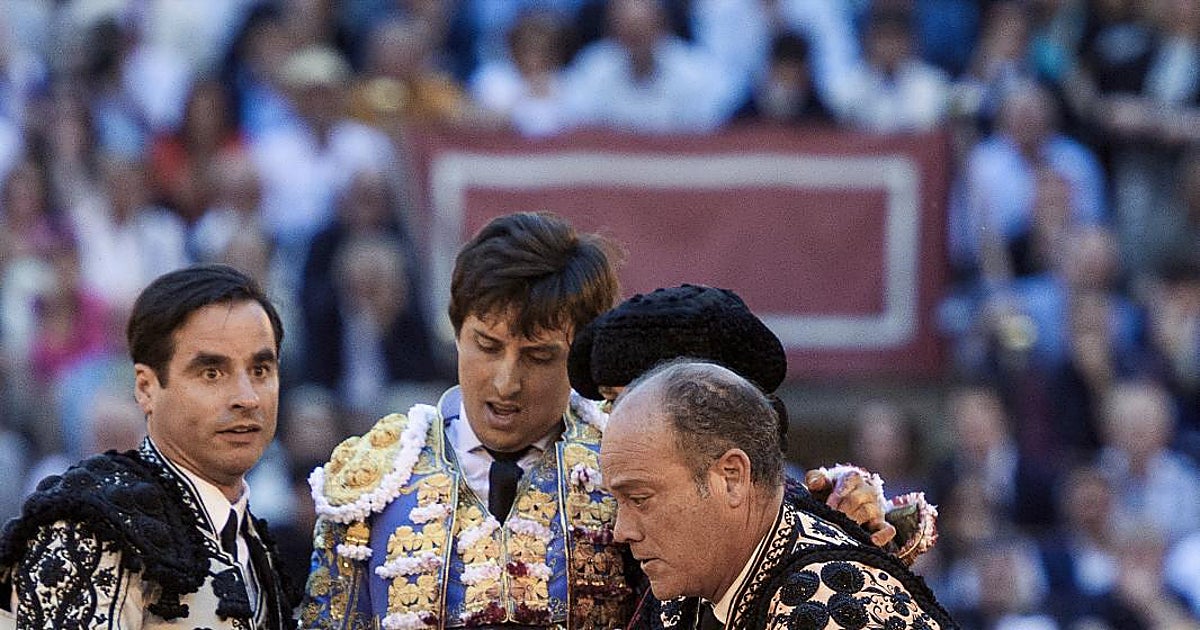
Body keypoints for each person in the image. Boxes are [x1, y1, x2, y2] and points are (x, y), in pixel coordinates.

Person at [301, 213, 901, 629]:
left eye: (539, 356)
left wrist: (849, 509)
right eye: (486, 345)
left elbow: (754, 524)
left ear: (581, 355)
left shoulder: (630, 457)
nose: (506, 382)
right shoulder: (372, 479)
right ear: (454, 329)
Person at [0, 263, 294, 628]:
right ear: (146, 388)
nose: (247, 398)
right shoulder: (91, 526)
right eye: (212, 373)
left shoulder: (254, 543)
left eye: (260, 370)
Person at [602, 360, 955, 629]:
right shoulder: (688, 590)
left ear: (731, 478)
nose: (621, 531)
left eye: (640, 499)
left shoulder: (834, 605)